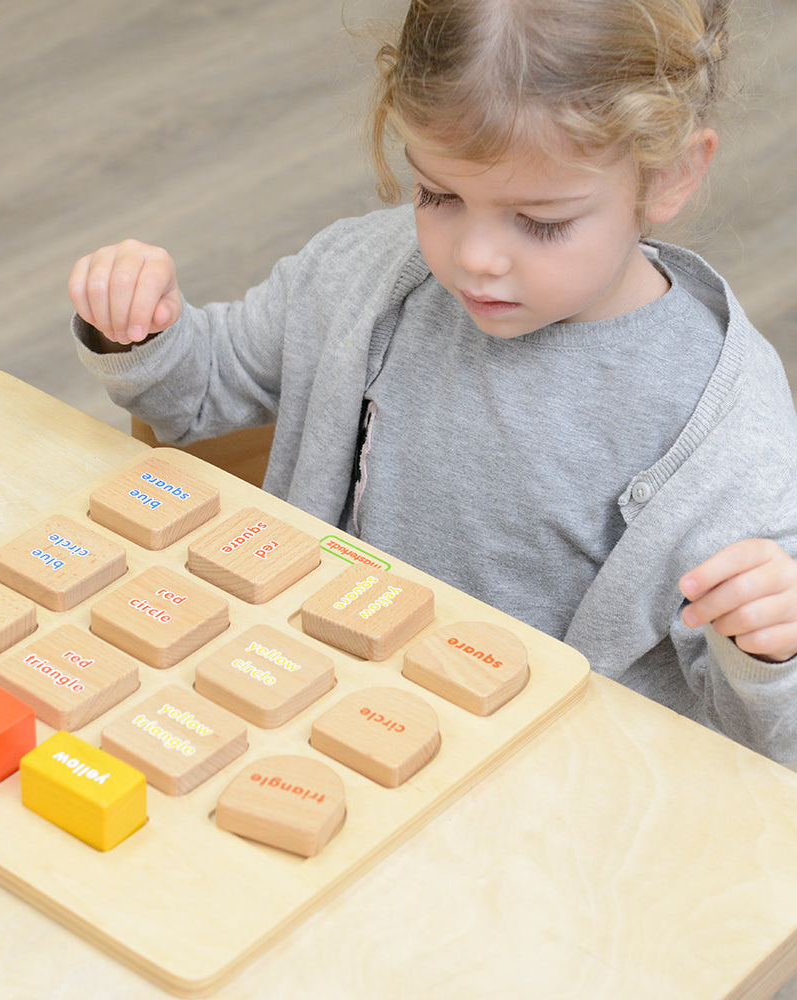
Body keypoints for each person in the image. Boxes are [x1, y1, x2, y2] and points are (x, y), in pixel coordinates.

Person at [67, 0, 797, 763]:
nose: (476, 256)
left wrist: (770, 653)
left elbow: (764, 747)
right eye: (439, 196)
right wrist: (144, 331)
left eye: (540, 222)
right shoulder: (361, 275)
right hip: (303, 717)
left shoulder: (726, 438)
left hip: (530, 801)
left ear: (672, 174)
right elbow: (203, 392)